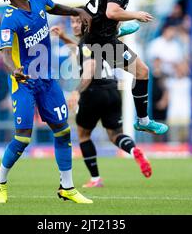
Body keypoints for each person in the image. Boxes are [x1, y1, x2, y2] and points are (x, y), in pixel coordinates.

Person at [0, 0, 92, 204]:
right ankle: (0, 181)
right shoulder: (10, 18)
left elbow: (55, 7)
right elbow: (6, 54)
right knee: (23, 138)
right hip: (23, 82)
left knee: (63, 131)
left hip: (47, 79)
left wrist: (77, 10)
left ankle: (67, 187)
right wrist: (13, 70)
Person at [51, 16, 152, 188]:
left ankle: (95, 178)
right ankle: (134, 150)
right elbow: (79, 51)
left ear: (86, 24)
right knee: (115, 135)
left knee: (83, 136)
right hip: (112, 90)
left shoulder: (86, 43)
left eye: (77, 22)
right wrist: (64, 37)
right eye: (72, 22)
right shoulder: (97, 41)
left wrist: (77, 91)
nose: (74, 25)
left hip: (92, 92)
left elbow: (89, 68)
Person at [80, 0, 169, 135]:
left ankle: (118, 29)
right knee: (143, 71)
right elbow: (112, 12)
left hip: (92, 25)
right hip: (101, 41)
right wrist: (136, 15)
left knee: (114, 18)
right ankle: (143, 121)